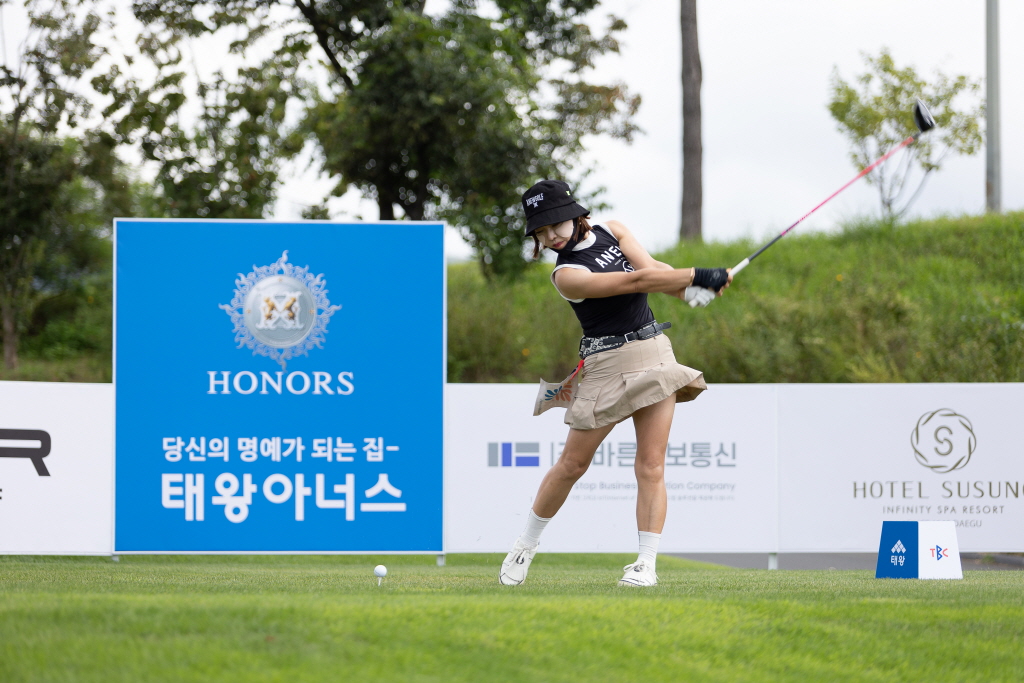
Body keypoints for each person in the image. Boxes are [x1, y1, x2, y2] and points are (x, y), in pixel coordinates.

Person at [500, 179, 732, 588]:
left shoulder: (614, 230)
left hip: (654, 353)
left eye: (555, 224)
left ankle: (646, 564)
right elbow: (635, 283)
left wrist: (688, 291)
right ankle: (526, 544)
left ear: (575, 214)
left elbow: (653, 271)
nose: (550, 236)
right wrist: (699, 274)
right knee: (572, 465)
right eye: (541, 231)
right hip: (605, 365)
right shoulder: (566, 274)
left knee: (651, 465)